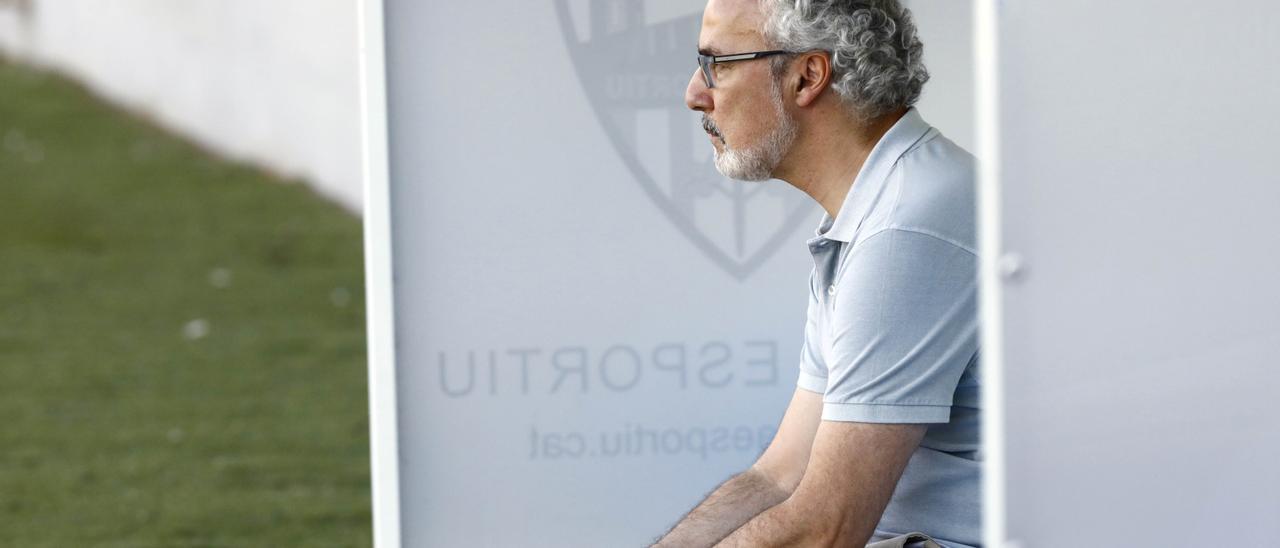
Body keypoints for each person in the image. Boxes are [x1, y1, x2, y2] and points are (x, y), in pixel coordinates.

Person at [653, 1, 980, 546]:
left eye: (718, 64)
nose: (695, 93)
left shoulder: (905, 226)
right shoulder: (877, 209)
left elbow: (824, 531)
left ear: (807, 77)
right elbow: (779, 476)